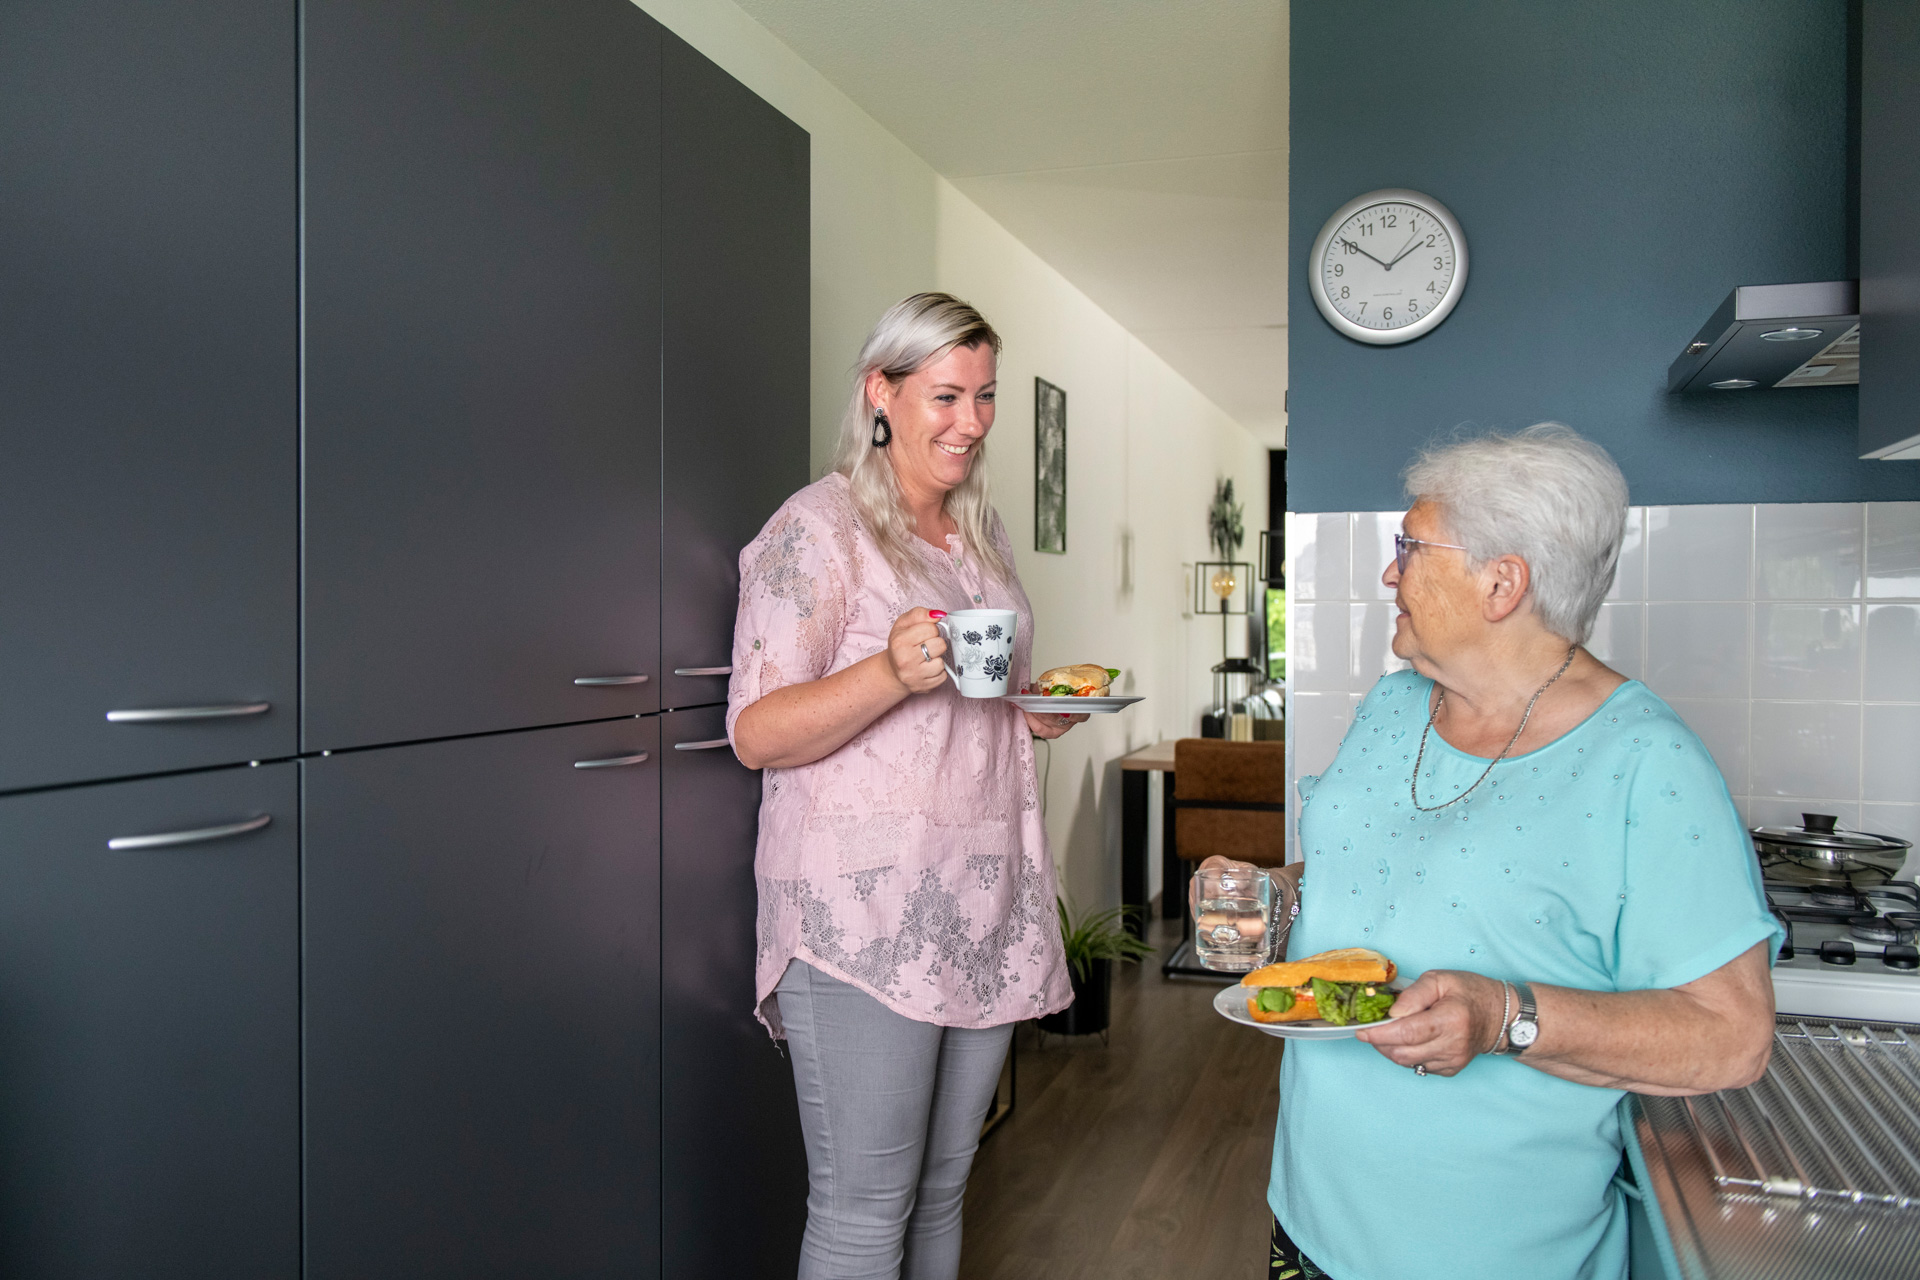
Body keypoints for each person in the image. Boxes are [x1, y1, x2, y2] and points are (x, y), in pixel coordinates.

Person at [1204, 424, 1780, 1280]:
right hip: (1311, 1215)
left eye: (1411, 548)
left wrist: (1505, 1016)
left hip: (1490, 1251)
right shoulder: (1396, 703)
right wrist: (1270, 901)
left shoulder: (1647, 764)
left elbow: (1733, 1037)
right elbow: (1363, 879)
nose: (1390, 572)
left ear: (1502, 582)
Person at [727, 292, 1082, 1280]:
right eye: (946, 395)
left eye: (986, 396)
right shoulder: (819, 528)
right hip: (864, 912)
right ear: (880, 392)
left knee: (941, 1187)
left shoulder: (980, 534)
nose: (971, 421)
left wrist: (1035, 706)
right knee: (862, 1208)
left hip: (983, 902)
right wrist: (887, 670)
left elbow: (981, 696)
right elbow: (756, 731)